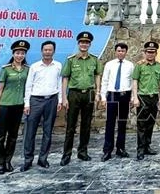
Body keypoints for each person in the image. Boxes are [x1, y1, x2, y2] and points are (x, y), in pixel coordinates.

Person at [59, 31, 103, 166]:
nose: (84, 44)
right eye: (82, 42)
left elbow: (97, 76)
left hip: (89, 93)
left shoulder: (94, 59)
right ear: (78, 44)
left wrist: (98, 92)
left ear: (90, 44)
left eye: (87, 43)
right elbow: (65, 78)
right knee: (71, 126)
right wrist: (64, 97)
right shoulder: (71, 60)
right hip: (74, 94)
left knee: (86, 124)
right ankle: (66, 154)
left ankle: (82, 152)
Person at [21, 40, 62, 171]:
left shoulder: (58, 66)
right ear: (42, 51)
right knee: (30, 131)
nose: (47, 52)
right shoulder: (35, 66)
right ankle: (28, 159)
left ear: (53, 51)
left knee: (48, 131)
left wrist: (60, 100)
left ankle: (43, 159)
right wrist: (27, 103)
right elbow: (28, 85)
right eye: (45, 50)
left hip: (52, 100)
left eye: (50, 50)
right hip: (35, 101)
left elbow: (60, 84)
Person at [0, 40, 30, 174]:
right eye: (17, 53)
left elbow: (28, 88)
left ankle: (8, 161)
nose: (20, 55)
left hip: (18, 106)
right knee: (1, 136)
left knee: (13, 136)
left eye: (22, 53)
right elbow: (0, 88)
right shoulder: (6, 69)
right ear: (13, 54)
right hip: (5, 106)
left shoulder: (27, 69)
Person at [131, 41, 160, 160]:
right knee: (141, 124)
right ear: (144, 52)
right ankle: (140, 149)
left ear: (156, 53)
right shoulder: (139, 66)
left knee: (150, 123)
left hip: (154, 97)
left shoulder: (158, 66)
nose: (150, 54)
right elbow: (135, 81)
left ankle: (147, 146)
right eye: (148, 52)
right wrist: (135, 97)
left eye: (153, 52)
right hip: (142, 97)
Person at [100, 42, 134, 161]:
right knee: (110, 123)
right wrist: (103, 97)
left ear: (126, 52)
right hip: (112, 95)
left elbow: (132, 82)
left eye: (123, 51)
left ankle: (120, 148)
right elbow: (104, 80)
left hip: (125, 95)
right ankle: (107, 150)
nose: (120, 53)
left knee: (122, 123)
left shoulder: (130, 65)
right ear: (115, 51)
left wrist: (132, 97)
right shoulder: (109, 65)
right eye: (119, 51)